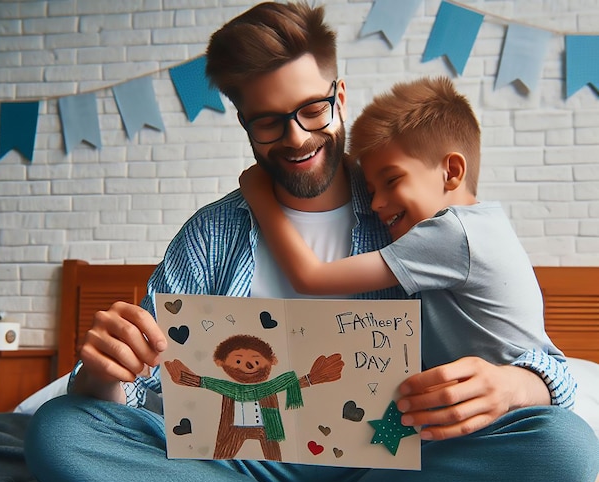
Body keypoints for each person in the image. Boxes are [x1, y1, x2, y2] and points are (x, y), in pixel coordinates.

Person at [25, 1, 599, 482]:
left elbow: (535, 357)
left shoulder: (408, 216)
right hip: (243, 468)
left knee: (566, 450)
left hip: (389, 463)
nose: (296, 137)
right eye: (269, 121)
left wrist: (517, 383)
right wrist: (102, 373)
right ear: (245, 123)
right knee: (60, 431)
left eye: (311, 109)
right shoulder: (211, 235)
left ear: (340, 96)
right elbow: (141, 389)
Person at [239, 75, 559, 370]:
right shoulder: (485, 225)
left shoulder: (451, 235)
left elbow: (311, 278)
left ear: (452, 172)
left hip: (515, 423)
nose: (376, 203)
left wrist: (261, 197)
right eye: (370, 190)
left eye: (392, 180)